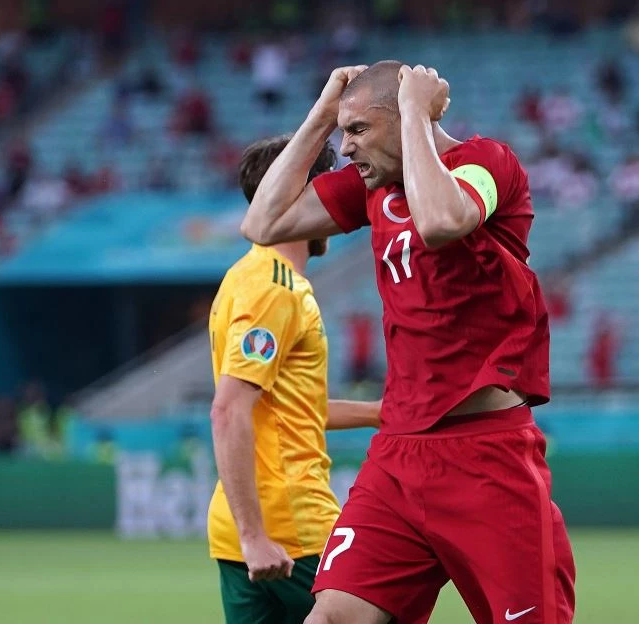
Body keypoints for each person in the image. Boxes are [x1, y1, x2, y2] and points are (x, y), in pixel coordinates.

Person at [241, 61, 575, 624]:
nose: (346, 148)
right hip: (399, 452)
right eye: (343, 134)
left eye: (359, 131)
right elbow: (263, 223)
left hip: (485, 454)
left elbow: (442, 219)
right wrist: (325, 113)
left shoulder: (488, 162)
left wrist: (415, 112)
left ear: (401, 117)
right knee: (331, 617)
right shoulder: (369, 185)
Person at [208, 134, 381, 624]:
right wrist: (255, 535)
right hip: (290, 529)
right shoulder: (276, 289)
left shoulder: (245, 277)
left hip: (247, 531)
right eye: (326, 188)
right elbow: (228, 408)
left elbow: (286, 409)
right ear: (299, 193)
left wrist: (379, 414)